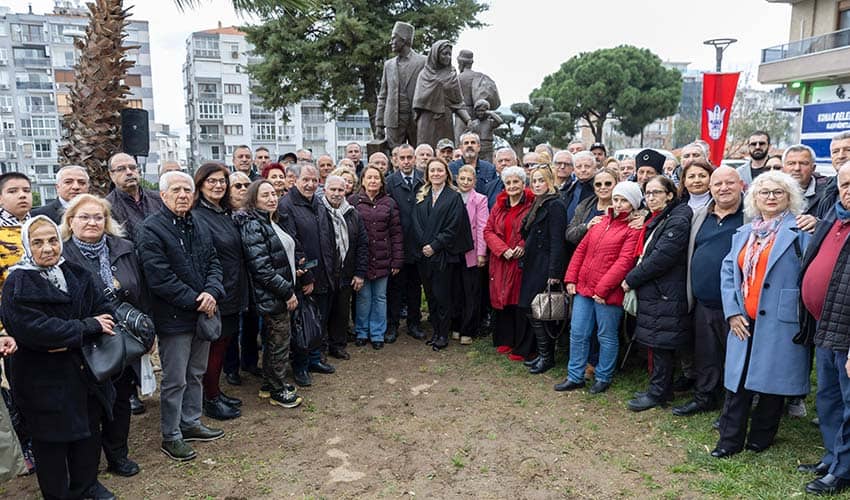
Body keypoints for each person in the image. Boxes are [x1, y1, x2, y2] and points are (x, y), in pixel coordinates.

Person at [0, 216, 116, 499]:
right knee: (51, 442)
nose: (48, 248)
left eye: (52, 240)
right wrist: (86, 327)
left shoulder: (76, 272)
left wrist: (68, 337)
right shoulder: (17, 282)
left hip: (84, 371)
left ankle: (86, 486)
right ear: (27, 245)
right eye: (37, 242)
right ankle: (57, 494)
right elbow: (34, 331)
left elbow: (104, 310)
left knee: (88, 432)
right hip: (41, 379)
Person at [711, 171, 811, 458]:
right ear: (754, 198)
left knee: (773, 381)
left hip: (781, 320)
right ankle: (729, 440)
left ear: (789, 197)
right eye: (764, 192)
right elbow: (729, 272)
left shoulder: (801, 232)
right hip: (744, 317)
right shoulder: (745, 232)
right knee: (737, 379)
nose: (770, 197)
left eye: (777, 192)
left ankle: (761, 438)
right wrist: (731, 312)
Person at [136, 171, 225, 462]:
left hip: (204, 312)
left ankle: (191, 422)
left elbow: (213, 260)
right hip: (174, 319)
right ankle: (171, 434)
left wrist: (212, 292)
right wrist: (197, 301)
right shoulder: (151, 229)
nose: (183, 194)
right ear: (162, 195)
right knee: (175, 379)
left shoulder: (198, 222)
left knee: (196, 373)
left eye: (187, 189)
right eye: (176, 189)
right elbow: (159, 278)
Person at [60, 194, 149, 479]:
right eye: (84, 217)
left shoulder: (124, 248)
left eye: (98, 217)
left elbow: (141, 291)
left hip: (122, 338)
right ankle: (87, 467)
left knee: (121, 400)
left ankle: (118, 455)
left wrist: (145, 330)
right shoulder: (61, 254)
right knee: (90, 406)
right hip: (85, 343)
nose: (92, 222)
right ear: (70, 222)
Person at [674, 166, 746, 418]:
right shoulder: (702, 215)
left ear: (741, 185)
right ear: (710, 188)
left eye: (729, 183)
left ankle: (734, 407)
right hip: (704, 301)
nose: (723, 188)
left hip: (737, 305)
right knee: (706, 354)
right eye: (717, 184)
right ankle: (705, 397)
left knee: (736, 359)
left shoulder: (750, 216)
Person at [557, 182, 642, 393]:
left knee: (606, 335)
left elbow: (624, 263)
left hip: (607, 293)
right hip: (585, 288)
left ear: (633, 204)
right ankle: (575, 375)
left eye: (624, 200)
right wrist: (570, 279)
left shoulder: (632, 229)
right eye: (617, 199)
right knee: (577, 332)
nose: (619, 204)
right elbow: (581, 251)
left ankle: (603, 376)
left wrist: (602, 290)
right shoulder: (600, 222)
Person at [799, 161, 850, 495]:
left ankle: (844, 470)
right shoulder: (835, 215)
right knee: (828, 398)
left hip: (847, 333)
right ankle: (834, 456)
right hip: (826, 324)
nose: (849, 190)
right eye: (845, 184)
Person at [624, 176, 694, 411]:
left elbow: (661, 258)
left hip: (665, 289)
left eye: (656, 192)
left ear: (670, 195)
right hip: (657, 289)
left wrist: (631, 278)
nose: (651, 197)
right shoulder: (660, 217)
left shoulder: (678, 218)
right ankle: (658, 388)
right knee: (657, 340)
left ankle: (658, 393)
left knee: (661, 342)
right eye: (648, 193)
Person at [237, 180, 304, 409]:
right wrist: (287, 292)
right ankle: (278, 390)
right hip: (273, 295)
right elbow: (262, 269)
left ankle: (269, 383)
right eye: (265, 195)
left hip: (278, 292)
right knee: (278, 343)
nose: (272, 198)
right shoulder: (253, 225)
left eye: (274, 194)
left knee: (274, 341)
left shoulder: (270, 221)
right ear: (253, 199)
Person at [191, 164, 248, 421]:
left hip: (233, 289)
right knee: (213, 349)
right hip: (216, 292)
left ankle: (215, 391)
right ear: (200, 184)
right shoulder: (198, 215)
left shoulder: (223, 212)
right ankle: (210, 399)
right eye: (211, 181)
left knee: (223, 345)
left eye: (222, 181)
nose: (218, 186)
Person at [277, 163, 337, 386]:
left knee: (318, 320)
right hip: (303, 277)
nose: (311, 184)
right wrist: (307, 277)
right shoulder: (287, 205)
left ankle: (315, 359)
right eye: (306, 180)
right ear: (295, 180)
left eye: (314, 180)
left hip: (324, 273)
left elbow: (327, 237)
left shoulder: (319, 203)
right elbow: (294, 245)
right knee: (302, 323)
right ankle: (301, 366)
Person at [412, 158, 471, 350]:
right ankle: (435, 331)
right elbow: (416, 221)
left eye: (439, 170)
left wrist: (435, 245)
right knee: (430, 296)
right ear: (427, 174)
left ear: (446, 173)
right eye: (432, 171)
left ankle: (443, 335)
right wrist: (424, 244)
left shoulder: (453, 197)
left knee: (443, 296)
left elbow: (453, 226)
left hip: (443, 255)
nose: (436, 174)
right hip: (424, 255)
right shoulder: (422, 194)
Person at [518, 167, 567, 374]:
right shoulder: (537, 202)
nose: (537, 184)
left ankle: (547, 357)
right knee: (532, 309)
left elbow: (558, 240)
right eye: (534, 181)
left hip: (545, 264)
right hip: (533, 262)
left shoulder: (555, 204)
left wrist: (554, 273)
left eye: (541, 180)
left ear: (549, 182)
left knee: (541, 309)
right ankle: (542, 353)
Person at [484, 166, 535, 360]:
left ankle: (521, 345)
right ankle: (505, 339)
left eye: (516, 182)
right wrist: (502, 249)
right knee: (501, 299)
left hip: (521, 261)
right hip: (501, 259)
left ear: (523, 184)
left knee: (518, 300)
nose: (512, 186)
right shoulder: (499, 205)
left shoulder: (531, 204)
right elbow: (488, 230)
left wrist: (522, 245)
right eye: (508, 182)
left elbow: (533, 230)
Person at [350, 168, 402, 348]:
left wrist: (396, 260)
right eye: (369, 177)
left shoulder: (389, 203)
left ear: (381, 182)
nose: (373, 181)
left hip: (383, 258)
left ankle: (378, 333)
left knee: (380, 297)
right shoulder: (353, 202)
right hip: (361, 259)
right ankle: (362, 332)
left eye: (376, 178)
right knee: (363, 297)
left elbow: (396, 234)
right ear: (362, 180)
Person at [322, 175, 368, 356]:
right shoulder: (318, 211)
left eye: (340, 190)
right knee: (323, 312)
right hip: (325, 272)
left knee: (341, 312)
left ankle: (338, 345)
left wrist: (359, 273)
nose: (336, 193)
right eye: (332, 189)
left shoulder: (353, 213)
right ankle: (320, 348)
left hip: (345, 271)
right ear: (325, 190)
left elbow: (362, 244)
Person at [386, 144, 426, 341]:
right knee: (395, 288)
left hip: (418, 243)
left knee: (414, 288)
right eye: (402, 158)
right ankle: (392, 325)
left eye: (410, 157)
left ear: (415, 158)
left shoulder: (423, 179)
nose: (406, 161)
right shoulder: (389, 182)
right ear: (396, 160)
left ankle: (414, 323)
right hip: (397, 243)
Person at [223, 170, 257, 386]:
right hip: (231, 280)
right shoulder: (222, 216)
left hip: (253, 278)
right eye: (238, 186)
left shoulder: (256, 214)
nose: (243, 189)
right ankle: (231, 368)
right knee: (232, 328)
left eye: (246, 185)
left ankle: (250, 362)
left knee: (252, 323)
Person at [375, 21, 427, 149]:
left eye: (394, 38)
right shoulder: (389, 65)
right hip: (393, 119)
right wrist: (379, 124)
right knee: (395, 155)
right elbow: (383, 96)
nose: (391, 42)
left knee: (420, 153)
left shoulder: (423, 61)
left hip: (416, 118)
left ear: (403, 40)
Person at [413, 40, 471, 149]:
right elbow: (418, 101)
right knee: (425, 151)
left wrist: (468, 120)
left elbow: (458, 102)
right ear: (436, 54)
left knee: (446, 150)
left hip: (445, 119)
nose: (448, 57)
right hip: (426, 120)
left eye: (450, 54)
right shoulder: (424, 75)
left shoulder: (451, 74)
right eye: (445, 54)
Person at [454, 165, 489, 345]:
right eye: (462, 178)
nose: (465, 182)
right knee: (455, 291)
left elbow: (483, 227)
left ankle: (468, 329)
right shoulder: (452, 196)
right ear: (457, 178)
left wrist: (481, 253)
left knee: (471, 292)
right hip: (453, 251)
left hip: (472, 252)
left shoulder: (480, 199)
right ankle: (456, 326)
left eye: (469, 179)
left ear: (474, 181)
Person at [105, 153, 163, 242]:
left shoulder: (159, 199)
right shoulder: (107, 207)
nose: (129, 172)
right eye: (121, 169)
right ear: (111, 175)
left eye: (132, 168)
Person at [565, 167, 619, 246]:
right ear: (594, 187)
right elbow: (569, 234)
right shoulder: (585, 205)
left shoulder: (622, 207)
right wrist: (586, 226)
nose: (603, 187)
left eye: (608, 184)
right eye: (598, 184)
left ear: (616, 185)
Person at [559, 151, 596, 224]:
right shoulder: (569, 188)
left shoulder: (599, 188)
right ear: (574, 169)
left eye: (587, 166)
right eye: (579, 167)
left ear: (594, 168)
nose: (583, 170)